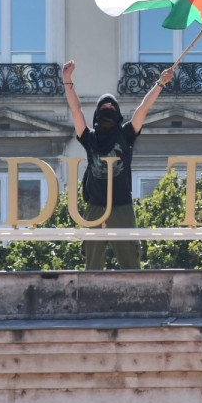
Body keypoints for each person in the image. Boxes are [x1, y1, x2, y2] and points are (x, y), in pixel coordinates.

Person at [62, 59, 173, 270]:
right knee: (91, 263)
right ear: (97, 113)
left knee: (131, 260)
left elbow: (142, 110)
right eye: (103, 107)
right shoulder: (89, 138)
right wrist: (67, 81)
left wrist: (160, 84)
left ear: (118, 112)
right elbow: (76, 111)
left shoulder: (125, 135)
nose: (108, 108)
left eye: (112, 106)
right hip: (95, 206)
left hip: (122, 206)